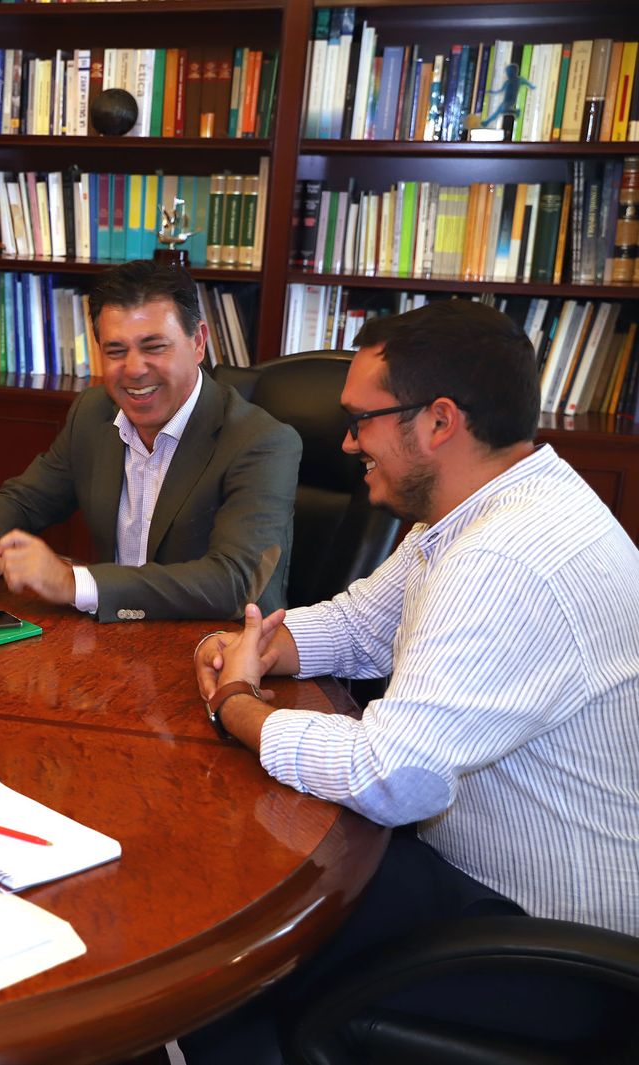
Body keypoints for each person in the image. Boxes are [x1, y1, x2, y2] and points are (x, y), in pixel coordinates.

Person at [184, 299, 639, 1062]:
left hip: (542, 948)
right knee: (249, 870)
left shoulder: (506, 557)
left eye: (363, 419)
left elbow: (391, 773)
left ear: (438, 421)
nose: (349, 440)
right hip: (478, 882)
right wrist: (256, 644)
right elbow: (365, 625)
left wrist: (237, 704)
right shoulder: (483, 508)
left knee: (224, 952)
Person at [0, 260, 300, 621]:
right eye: (116, 351)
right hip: (116, 643)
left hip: (217, 651)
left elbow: (236, 582)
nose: (133, 369)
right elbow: (23, 499)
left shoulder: (262, 441)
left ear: (198, 343)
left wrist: (75, 583)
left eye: (154, 347)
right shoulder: (93, 413)